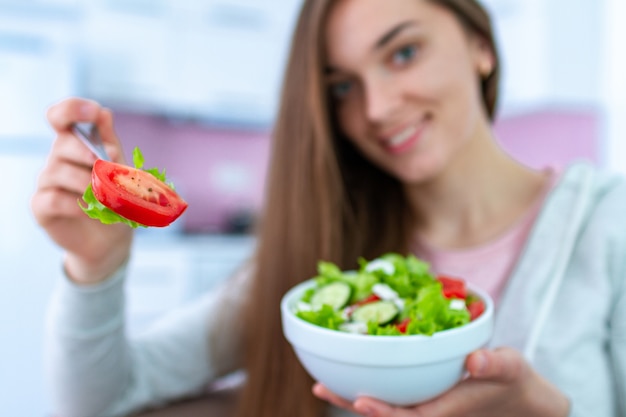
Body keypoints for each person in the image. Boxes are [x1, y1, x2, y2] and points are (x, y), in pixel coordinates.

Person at [31, 0, 626, 416]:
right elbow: (99, 400)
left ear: (479, 46)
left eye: (403, 52)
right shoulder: (321, 247)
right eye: (341, 86)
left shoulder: (606, 224)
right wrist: (95, 268)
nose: (377, 108)